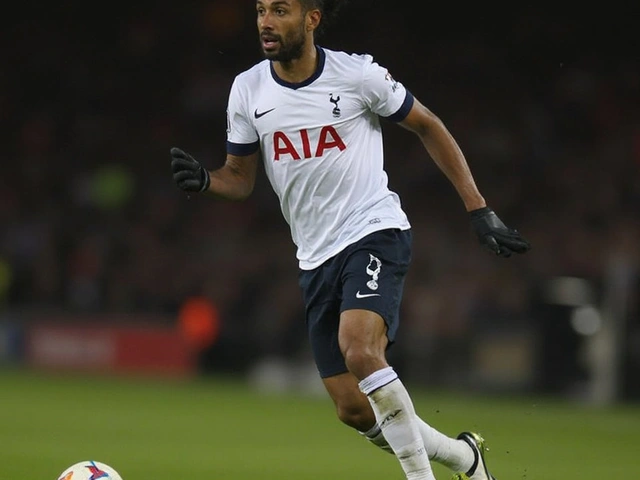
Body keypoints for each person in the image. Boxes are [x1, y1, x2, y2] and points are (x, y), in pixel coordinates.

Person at [170, 1, 531, 479]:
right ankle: (466, 458)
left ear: (311, 19)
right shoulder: (248, 88)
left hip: (373, 231)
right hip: (314, 257)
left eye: (280, 10)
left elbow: (428, 124)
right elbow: (239, 177)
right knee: (354, 410)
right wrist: (206, 181)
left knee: (361, 350)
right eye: (260, 10)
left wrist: (478, 208)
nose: (266, 21)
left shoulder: (357, 76)